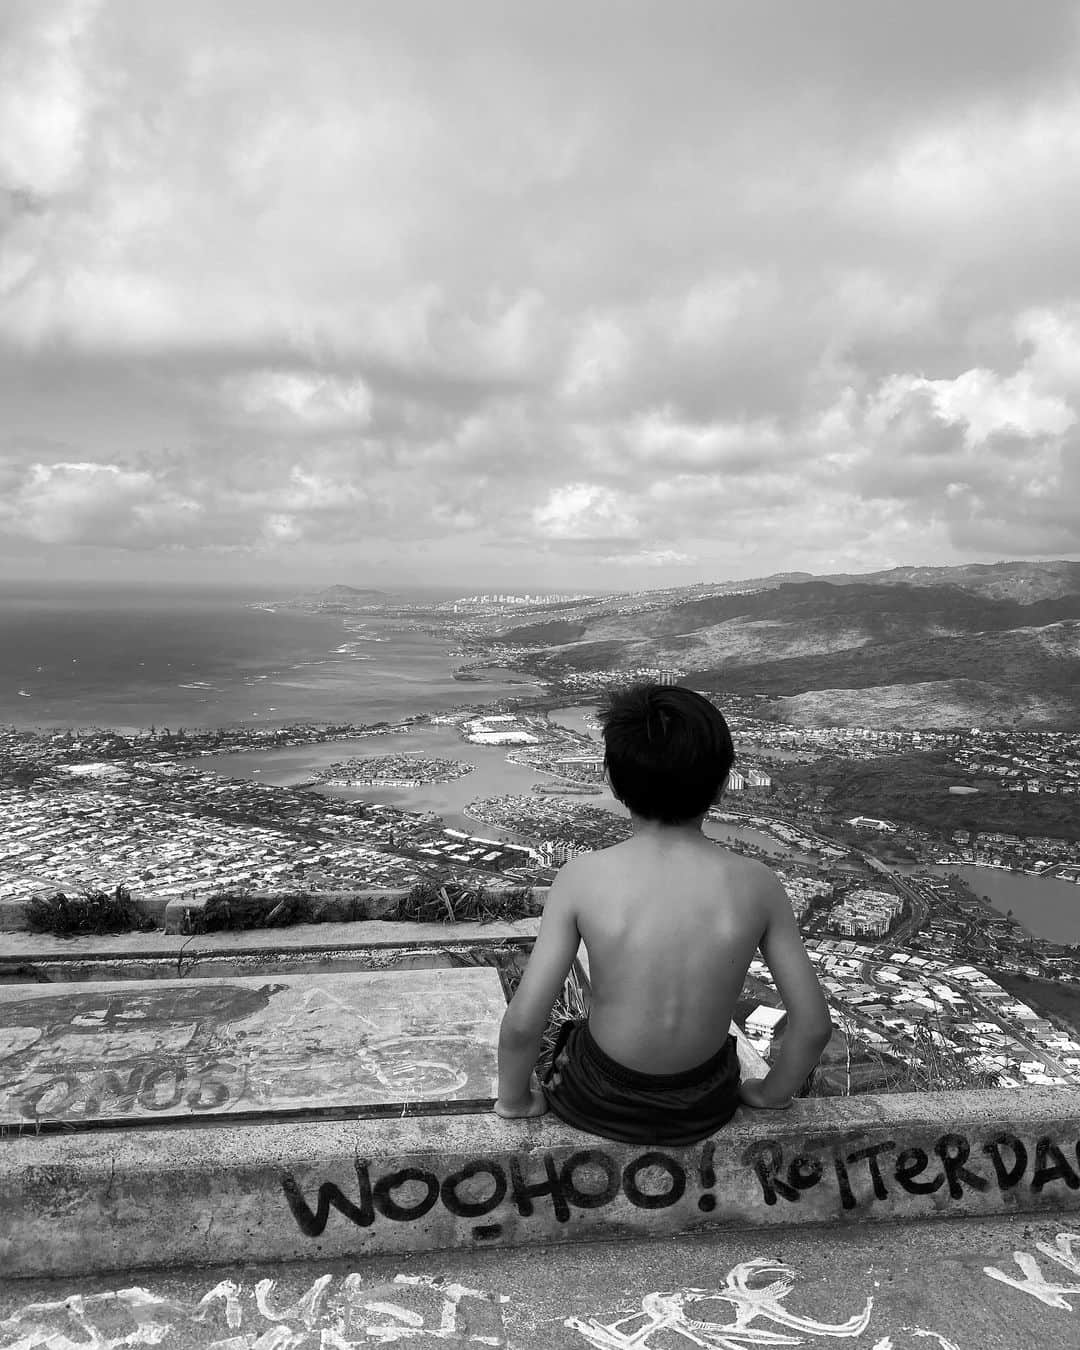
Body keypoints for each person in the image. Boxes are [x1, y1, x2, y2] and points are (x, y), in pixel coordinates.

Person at [494, 683, 832, 1144]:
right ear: (720, 786)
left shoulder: (582, 877)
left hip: (596, 1099)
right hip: (703, 1104)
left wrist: (515, 1101)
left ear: (614, 782)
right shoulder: (759, 885)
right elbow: (812, 1026)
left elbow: (523, 1023)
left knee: (576, 1034)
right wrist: (771, 1093)